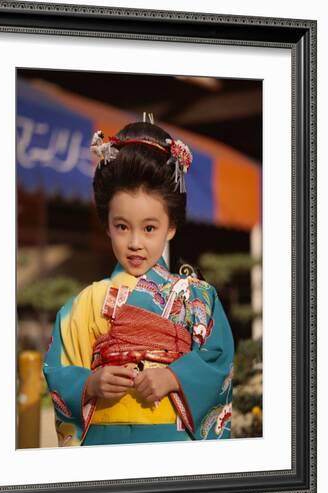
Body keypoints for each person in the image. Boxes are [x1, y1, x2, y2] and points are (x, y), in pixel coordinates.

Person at [42, 115, 234, 447]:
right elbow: (56, 367)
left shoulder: (197, 297)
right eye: (121, 227)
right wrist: (90, 384)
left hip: (170, 441)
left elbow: (218, 358)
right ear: (106, 225)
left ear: (171, 226)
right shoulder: (84, 303)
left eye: (149, 228)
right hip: (104, 443)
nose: (134, 242)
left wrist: (174, 377)